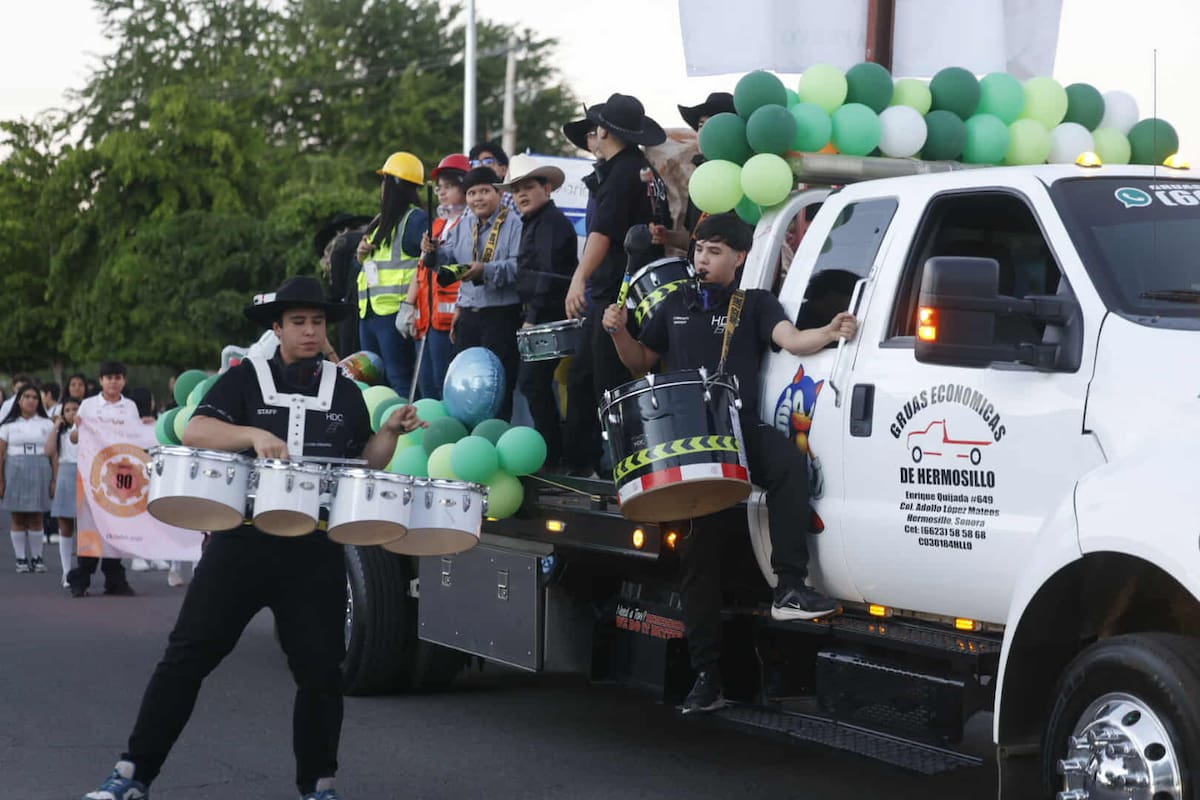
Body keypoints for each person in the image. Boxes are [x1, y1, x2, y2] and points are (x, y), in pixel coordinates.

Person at [80, 276, 427, 800]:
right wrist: (251, 435)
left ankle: (318, 786)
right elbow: (195, 430)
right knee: (186, 659)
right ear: (278, 328)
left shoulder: (344, 389)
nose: (310, 331)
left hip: (313, 548)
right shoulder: (246, 378)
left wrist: (390, 434)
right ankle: (131, 776)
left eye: (317, 322)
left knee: (321, 674)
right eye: (298, 323)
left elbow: (362, 462)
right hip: (241, 543)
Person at [601, 213, 858, 714]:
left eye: (715, 251)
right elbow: (639, 363)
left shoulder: (756, 304)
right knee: (700, 562)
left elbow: (792, 340)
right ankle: (706, 676)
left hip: (737, 430)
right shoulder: (674, 303)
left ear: (740, 258)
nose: (702, 258)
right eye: (699, 249)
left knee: (787, 462)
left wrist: (828, 330)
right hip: (689, 444)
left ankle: (789, 586)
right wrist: (616, 331)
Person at [561, 93, 670, 476]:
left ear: (604, 130)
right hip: (640, 288)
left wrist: (579, 279)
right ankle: (586, 466)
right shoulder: (645, 172)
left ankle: (618, 470)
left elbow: (603, 233)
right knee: (587, 377)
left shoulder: (623, 172)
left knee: (607, 384)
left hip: (617, 290)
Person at [421, 166, 524, 420]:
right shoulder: (464, 223)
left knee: (499, 384)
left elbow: (519, 268)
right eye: (472, 193)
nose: (478, 198)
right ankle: (465, 440)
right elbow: (448, 261)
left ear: (498, 194)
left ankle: (496, 439)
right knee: (464, 380)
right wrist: (431, 251)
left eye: (484, 191)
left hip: (502, 315)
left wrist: (484, 271)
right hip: (468, 315)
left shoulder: (514, 223)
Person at [497, 153, 578, 469]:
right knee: (535, 384)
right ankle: (553, 452)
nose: (521, 195)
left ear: (547, 188)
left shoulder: (551, 224)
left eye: (528, 187)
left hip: (547, 316)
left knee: (534, 383)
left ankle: (552, 455)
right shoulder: (535, 222)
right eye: (516, 190)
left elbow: (545, 277)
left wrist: (531, 319)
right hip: (537, 314)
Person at [354, 152, 429, 396]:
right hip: (370, 314)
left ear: (396, 185)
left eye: (385, 180)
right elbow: (369, 265)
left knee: (399, 379)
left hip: (395, 315)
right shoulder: (381, 221)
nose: (381, 187)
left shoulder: (414, 220)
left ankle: (405, 432)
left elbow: (427, 263)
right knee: (374, 380)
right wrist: (360, 254)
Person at [66, 361, 138, 597]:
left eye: (118, 377)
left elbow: (136, 438)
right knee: (90, 527)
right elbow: (74, 439)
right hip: (91, 474)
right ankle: (82, 578)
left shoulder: (130, 407)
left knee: (115, 526)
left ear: (124, 380)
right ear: (100, 381)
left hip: (119, 476)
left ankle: (115, 579)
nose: (113, 382)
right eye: (108, 377)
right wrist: (76, 428)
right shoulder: (87, 405)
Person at [404, 153, 470, 400]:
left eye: (450, 186)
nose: (442, 193)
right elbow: (421, 268)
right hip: (427, 320)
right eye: (440, 188)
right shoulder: (437, 225)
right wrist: (407, 305)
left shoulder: (469, 223)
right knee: (427, 384)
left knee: (446, 384)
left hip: (451, 320)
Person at [651, 92, 737, 256]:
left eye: (713, 125)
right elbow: (694, 240)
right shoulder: (700, 176)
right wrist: (668, 237)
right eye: (700, 125)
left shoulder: (744, 178)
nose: (703, 132)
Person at [0, 383, 55, 573]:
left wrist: (54, 479)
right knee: (18, 515)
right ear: (19, 401)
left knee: (37, 514)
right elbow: (1, 453)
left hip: (40, 465)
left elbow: (54, 455)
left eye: (34, 397)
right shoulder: (8, 425)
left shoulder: (46, 424)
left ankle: (38, 557)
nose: (31, 401)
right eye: (27, 397)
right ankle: (21, 558)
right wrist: (0, 479)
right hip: (14, 467)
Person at [316, 212, 373, 359]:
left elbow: (337, 290)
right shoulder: (371, 238)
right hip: (381, 307)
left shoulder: (340, 244)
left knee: (354, 362)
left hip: (353, 311)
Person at [47, 396, 81, 587]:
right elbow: (49, 451)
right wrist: (55, 427)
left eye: (75, 409)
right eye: (67, 410)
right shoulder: (60, 433)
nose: (71, 413)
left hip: (84, 475)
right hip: (65, 475)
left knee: (83, 527)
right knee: (65, 526)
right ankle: (66, 571)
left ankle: (82, 569)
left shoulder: (85, 430)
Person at [469, 141, 516, 210]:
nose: (481, 167)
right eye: (476, 163)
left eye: (488, 162)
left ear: (504, 170)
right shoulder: (471, 202)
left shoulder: (512, 199)